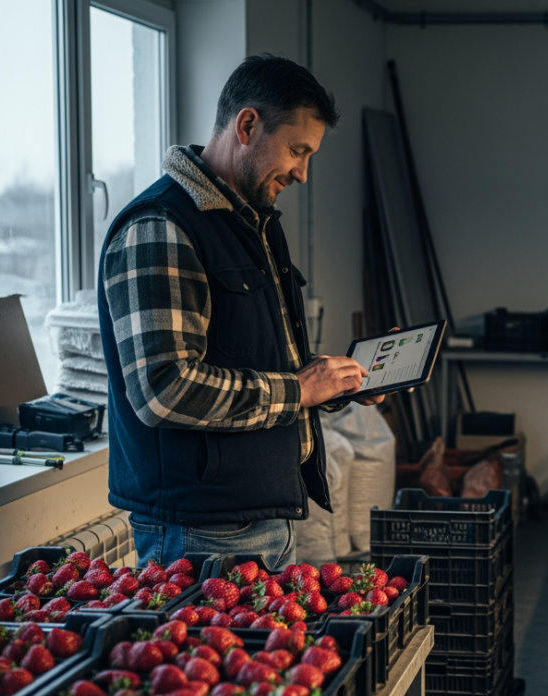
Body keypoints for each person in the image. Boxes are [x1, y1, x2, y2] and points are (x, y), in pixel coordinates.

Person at [97, 54, 381, 568]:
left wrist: (337, 383)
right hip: (201, 532)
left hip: (260, 515)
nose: (302, 173)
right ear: (247, 125)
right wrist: (300, 389)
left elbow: (255, 356)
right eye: (297, 150)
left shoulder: (251, 222)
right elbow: (164, 390)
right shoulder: (160, 227)